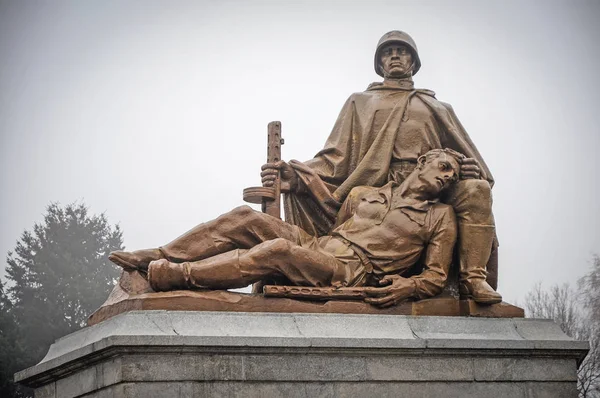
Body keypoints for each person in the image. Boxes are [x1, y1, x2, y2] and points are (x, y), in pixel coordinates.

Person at [261, 30, 501, 304]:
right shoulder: (360, 101)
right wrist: (296, 173)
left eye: (402, 51)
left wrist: (470, 170)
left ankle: (474, 279)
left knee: (477, 189)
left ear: (414, 61)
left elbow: (464, 157)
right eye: (388, 53)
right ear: (380, 63)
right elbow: (335, 156)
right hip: (378, 185)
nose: (395, 56)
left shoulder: (436, 106)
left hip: (432, 185)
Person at [109, 148, 478, 308]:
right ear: (424, 161)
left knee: (277, 252)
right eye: (445, 167)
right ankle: (159, 254)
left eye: (453, 176)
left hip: (350, 271)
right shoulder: (368, 193)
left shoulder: (440, 217)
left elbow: (434, 275)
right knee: (245, 217)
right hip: (322, 243)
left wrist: (406, 286)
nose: (448, 178)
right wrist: (295, 179)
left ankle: (178, 276)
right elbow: (333, 213)